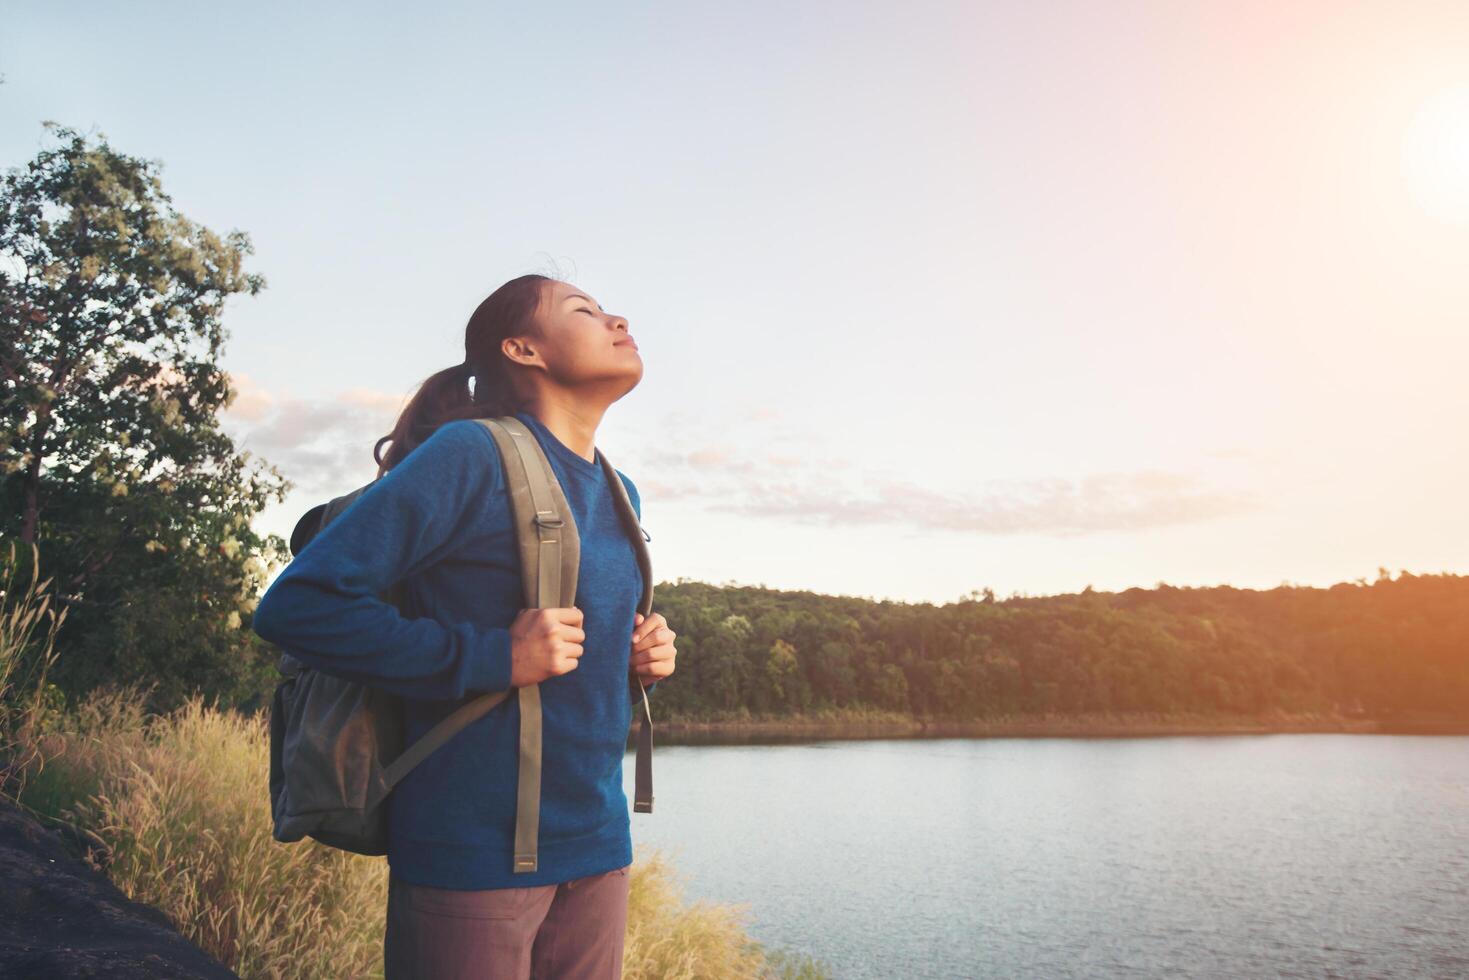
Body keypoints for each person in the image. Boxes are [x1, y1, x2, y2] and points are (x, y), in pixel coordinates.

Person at [250, 274, 678, 979]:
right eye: (584, 311)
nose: (615, 317)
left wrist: (641, 663)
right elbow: (300, 607)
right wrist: (493, 657)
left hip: (598, 847)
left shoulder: (618, 490)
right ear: (522, 349)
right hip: (472, 854)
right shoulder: (470, 456)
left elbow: (571, 663)